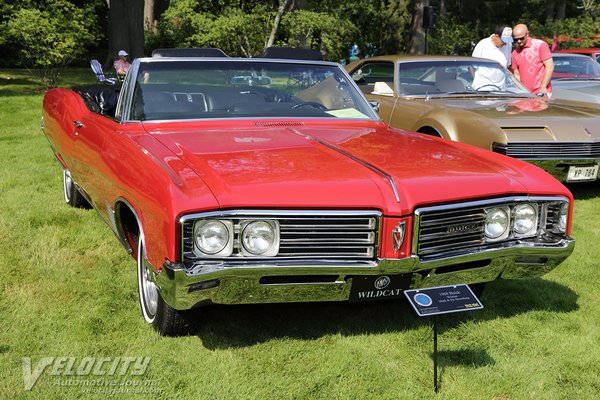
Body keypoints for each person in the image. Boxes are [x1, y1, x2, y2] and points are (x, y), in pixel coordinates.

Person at [511, 24, 554, 97]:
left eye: (521, 38)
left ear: (527, 34)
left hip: (541, 92)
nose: (518, 41)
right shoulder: (515, 53)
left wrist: (543, 87)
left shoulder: (540, 45)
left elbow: (550, 67)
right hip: (525, 94)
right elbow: (517, 74)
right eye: (516, 39)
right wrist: (519, 90)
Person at [471, 26, 509, 90]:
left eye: (507, 41)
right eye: (503, 41)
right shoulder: (483, 44)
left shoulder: (508, 45)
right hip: (483, 89)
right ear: (496, 36)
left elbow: (507, 66)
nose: (505, 44)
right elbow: (472, 67)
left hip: (501, 90)